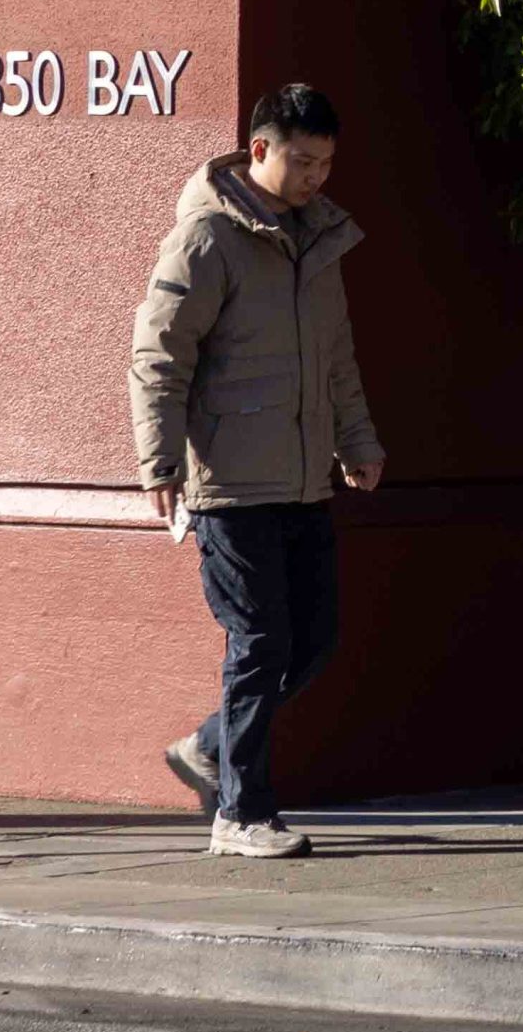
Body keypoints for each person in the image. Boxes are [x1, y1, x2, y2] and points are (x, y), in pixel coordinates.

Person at [128, 84, 383, 858]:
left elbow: (336, 359)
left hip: (303, 478)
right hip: (229, 481)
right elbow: (159, 353)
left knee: (313, 640)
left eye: (328, 162)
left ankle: (210, 746)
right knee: (261, 637)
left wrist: (357, 441)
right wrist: (159, 460)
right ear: (260, 149)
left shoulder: (320, 241)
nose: (316, 176)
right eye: (303, 159)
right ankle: (241, 814)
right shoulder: (207, 239)